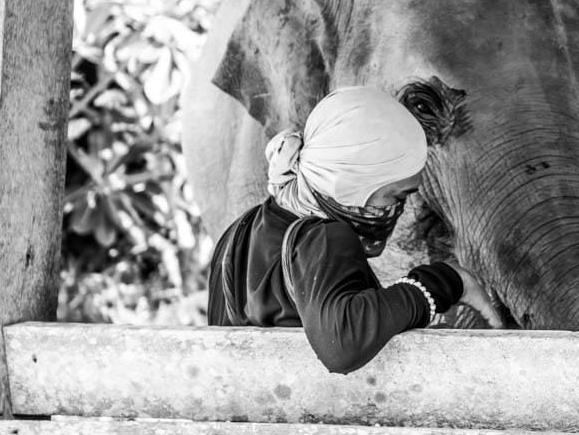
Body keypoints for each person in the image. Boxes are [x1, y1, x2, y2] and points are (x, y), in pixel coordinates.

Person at [207, 86, 502, 374]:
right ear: (353, 186)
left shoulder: (238, 232)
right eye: (396, 196)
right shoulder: (325, 238)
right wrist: (444, 282)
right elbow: (341, 344)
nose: (397, 210)